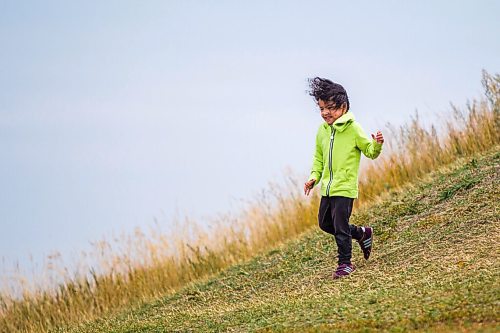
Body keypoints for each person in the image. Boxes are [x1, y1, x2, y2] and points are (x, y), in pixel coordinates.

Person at [304, 77, 384, 279]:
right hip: (328, 188)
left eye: (330, 108)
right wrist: (313, 177)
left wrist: (376, 145)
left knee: (340, 226)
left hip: (345, 187)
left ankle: (345, 264)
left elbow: (370, 152)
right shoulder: (322, 132)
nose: (325, 113)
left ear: (344, 107)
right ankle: (361, 233)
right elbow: (318, 159)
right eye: (322, 108)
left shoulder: (353, 128)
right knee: (324, 224)